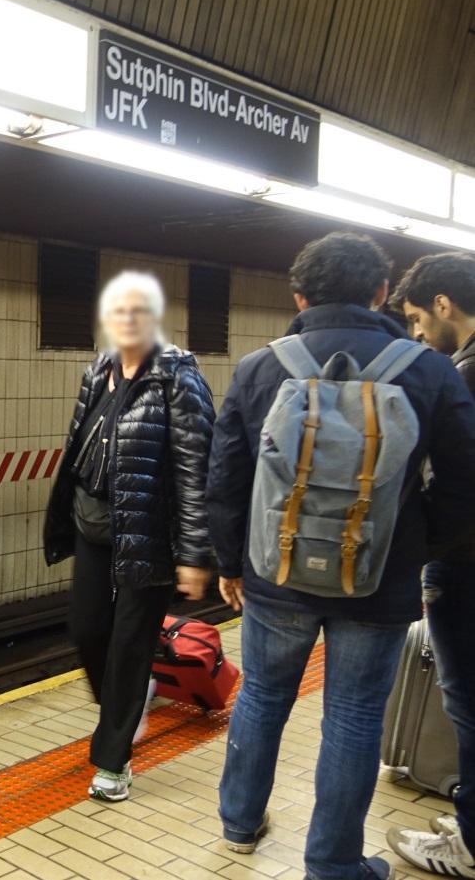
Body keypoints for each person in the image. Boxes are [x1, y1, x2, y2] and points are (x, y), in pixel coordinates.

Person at [208, 233, 475, 880]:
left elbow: (225, 474)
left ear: (299, 296)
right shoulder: (428, 369)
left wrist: (229, 560)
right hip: (378, 585)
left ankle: (240, 824)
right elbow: (467, 483)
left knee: (264, 696)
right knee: (353, 716)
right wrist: (415, 546)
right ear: (382, 293)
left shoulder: (260, 366)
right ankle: (332, 862)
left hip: (276, 578)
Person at [44, 270, 215, 803]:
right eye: (117, 312)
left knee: (128, 642)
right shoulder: (98, 371)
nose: (126, 321)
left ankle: (113, 762)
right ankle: (132, 697)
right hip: (93, 524)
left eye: (137, 311)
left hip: (148, 534)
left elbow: (195, 472)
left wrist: (193, 554)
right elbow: (78, 448)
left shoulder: (178, 380)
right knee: (87, 630)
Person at [385, 253, 475, 879]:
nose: (417, 333)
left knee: (467, 702)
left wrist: (429, 549)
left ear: (444, 305)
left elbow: (454, 479)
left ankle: (468, 847)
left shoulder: (464, 374)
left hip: (467, 563)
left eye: (418, 318)